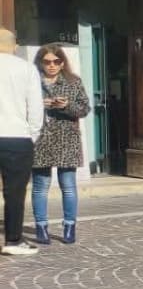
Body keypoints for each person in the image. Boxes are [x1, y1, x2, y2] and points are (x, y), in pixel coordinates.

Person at [30, 45, 89, 246]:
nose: (52, 65)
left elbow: (84, 109)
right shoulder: (31, 81)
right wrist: (40, 104)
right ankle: (41, 227)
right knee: (40, 187)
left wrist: (66, 106)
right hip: (41, 138)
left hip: (67, 138)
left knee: (69, 186)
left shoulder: (73, 82)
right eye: (47, 61)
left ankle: (70, 226)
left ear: (62, 62)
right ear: (40, 62)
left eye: (56, 61)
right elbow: (19, 107)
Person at [0, 27, 42, 258]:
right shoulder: (26, 68)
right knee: (14, 192)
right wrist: (31, 135)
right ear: (15, 46)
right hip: (17, 137)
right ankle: (13, 239)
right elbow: (35, 108)